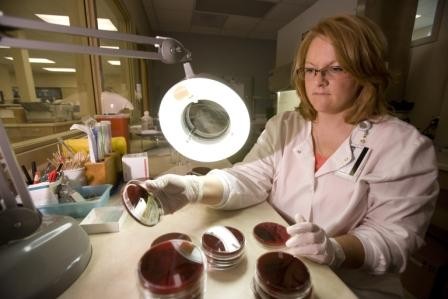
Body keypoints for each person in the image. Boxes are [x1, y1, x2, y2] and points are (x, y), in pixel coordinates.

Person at [144, 15, 439, 298]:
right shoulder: (285, 125)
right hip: (277, 267)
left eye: (335, 68)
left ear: (366, 72)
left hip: (351, 287)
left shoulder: (406, 148)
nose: (319, 80)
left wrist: (335, 249)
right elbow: (250, 177)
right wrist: (195, 189)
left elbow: (392, 237)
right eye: (311, 69)